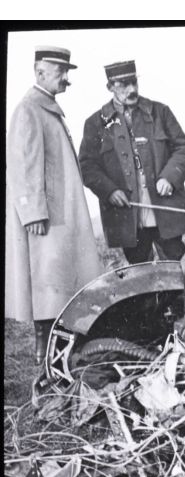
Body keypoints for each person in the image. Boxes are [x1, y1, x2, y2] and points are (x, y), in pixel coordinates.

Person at [5, 46, 104, 365]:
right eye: (61, 72)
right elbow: (22, 164)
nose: (66, 79)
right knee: (46, 286)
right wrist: (32, 211)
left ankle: (58, 355)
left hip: (58, 215)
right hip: (46, 217)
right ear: (40, 72)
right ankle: (45, 358)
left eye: (66, 72)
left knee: (59, 283)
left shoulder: (44, 108)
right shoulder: (29, 109)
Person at [79, 60, 185, 263]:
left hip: (164, 210)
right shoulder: (95, 123)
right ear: (110, 87)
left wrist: (169, 177)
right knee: (139, 273)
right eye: (123, 84)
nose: (131, 89)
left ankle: (177, 296)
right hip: (126, 215)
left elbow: (183, 149)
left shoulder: (161, 112)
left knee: (177, 265)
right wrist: (110, 191)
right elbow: (88, 166)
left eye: (133, 82)